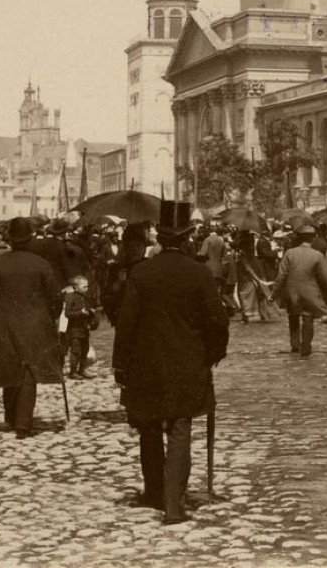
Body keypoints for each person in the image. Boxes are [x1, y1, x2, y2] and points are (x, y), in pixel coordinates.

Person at [113, 201, 229, 525]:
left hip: (146, 364)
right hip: (187, 363)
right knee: (180, 428)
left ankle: (153, 491)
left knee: (149, 428)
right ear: (189, 236)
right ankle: (173, 504)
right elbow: (218, 322)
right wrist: (213, 354)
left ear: (161, 238)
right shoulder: (199, 273)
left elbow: (126, 322)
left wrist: (120, 365)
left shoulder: (142, 272)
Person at [0, 217, 63, 438]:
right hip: (35, 322)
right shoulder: (41, 264)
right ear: (30, 238)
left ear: (11, 239)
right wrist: (51, 316)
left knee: (10, 365)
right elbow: (56, 297)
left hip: (6, 321)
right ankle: (23, 424)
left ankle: (11, 415)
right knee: (29, 369)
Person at [275, 224, 327, 357]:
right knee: (308, 318)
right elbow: (325, 280)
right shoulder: (317, 256)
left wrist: (275, 294)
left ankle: (295, 346)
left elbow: (281, 276)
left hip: (292, 293)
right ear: (312, 239)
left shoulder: (289, 253)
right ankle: (306, 347)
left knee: (293, 317)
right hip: (310, 293)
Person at [63, 276, 94, 380]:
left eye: (87, 286)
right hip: (74, 330)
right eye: (84, 287)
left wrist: (91, 312)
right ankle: (73, 372)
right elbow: (67, 314)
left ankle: (82, 370)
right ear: (76, 288)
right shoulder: (71, 297)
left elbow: (87, 310)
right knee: (76, 351)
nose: (87, 289)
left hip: (84, 329)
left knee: (85, 349)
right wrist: (80, 312)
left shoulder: (85, 297)